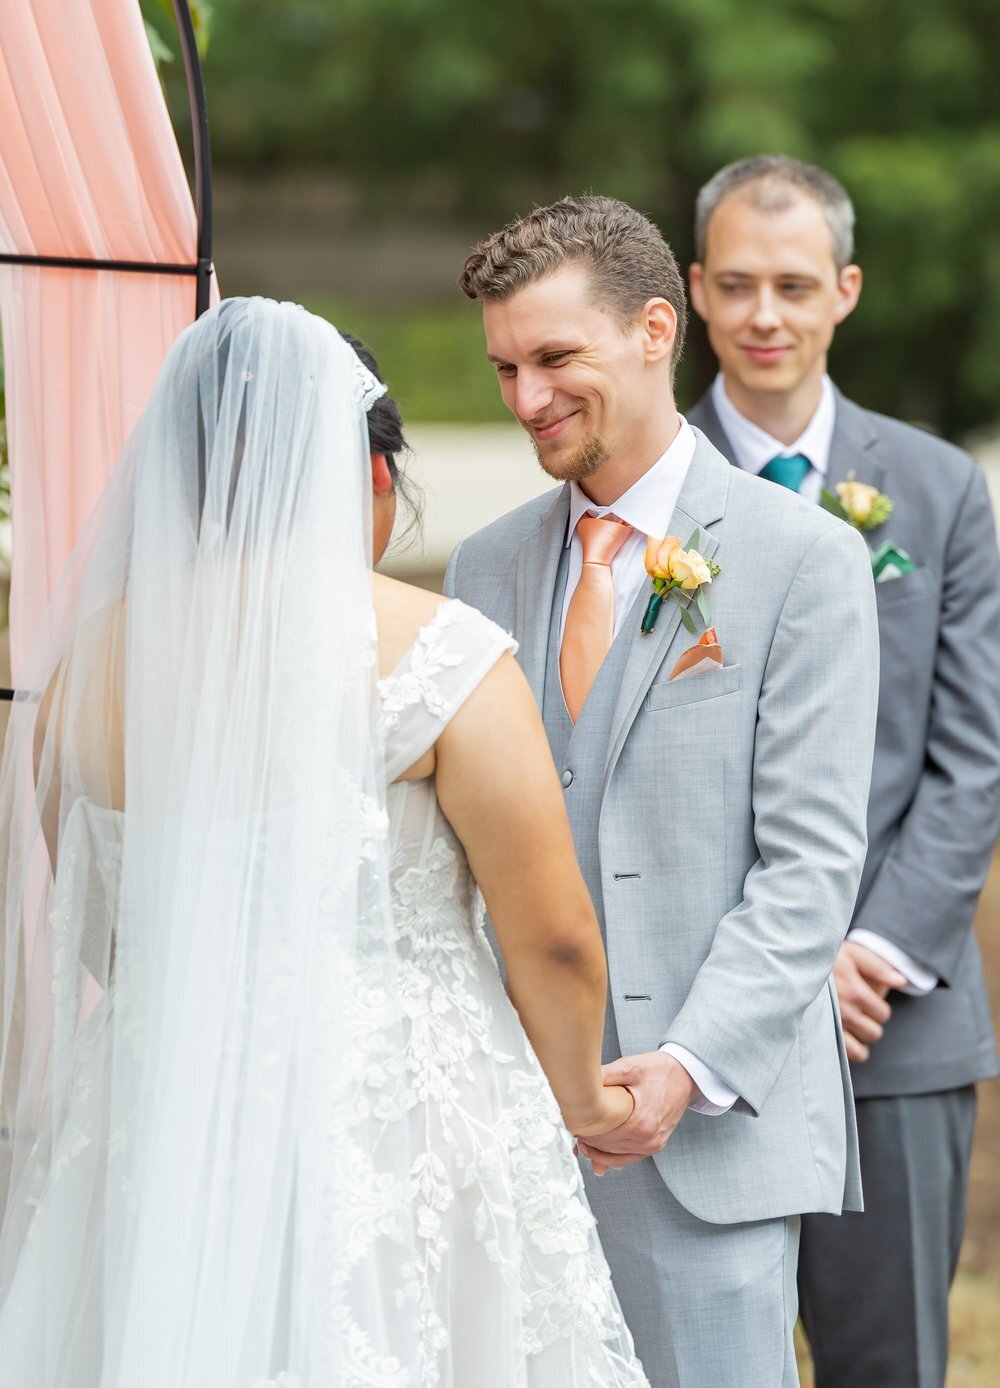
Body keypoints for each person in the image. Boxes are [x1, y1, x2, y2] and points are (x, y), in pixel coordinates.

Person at [0, 297, 650, 1387]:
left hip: (161, 1117)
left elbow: (107, 934)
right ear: (375, 472)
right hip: (401, 1125)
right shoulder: (441, 654)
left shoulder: (82, 680)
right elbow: (555, 938)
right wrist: (587, 1099)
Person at [446, 195, 880, 1388]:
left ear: (651, 330)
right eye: (503, 370)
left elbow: (806, 873)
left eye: (552, 359)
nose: (525, 399)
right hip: (516, 1129)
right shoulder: (486, 565)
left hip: (703, 1140)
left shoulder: (803, 560)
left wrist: (683, 1068)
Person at [686, 154, 1000, 1388]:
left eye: (795, 285)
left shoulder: (935, 487)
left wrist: (857, 955)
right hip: (693, 1029)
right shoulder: (650, 490)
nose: (767, 315)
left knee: (888, 1367)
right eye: (740, 284)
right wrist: (767, 972)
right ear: (697, 294)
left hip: (893, 1027)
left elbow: (971, 759)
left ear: (845, 292)